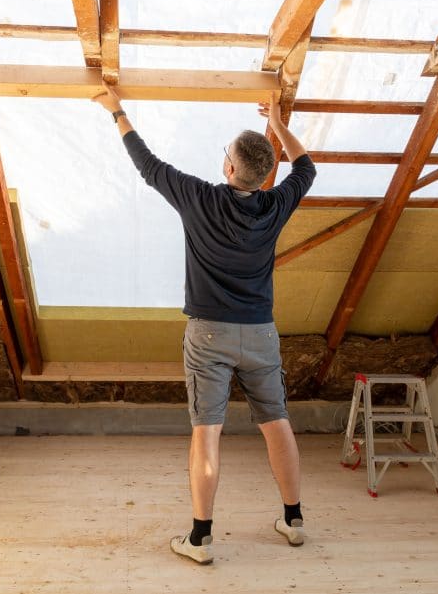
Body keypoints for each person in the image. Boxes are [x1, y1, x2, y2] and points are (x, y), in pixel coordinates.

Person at [92, 83, 316, 565]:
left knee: (207, 432)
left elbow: (147, 164)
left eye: (226, 155)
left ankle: (201, 539)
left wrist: (117, 111)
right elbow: (307, 166)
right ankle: (294, 520)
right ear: (266, 172)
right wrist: (277, 123)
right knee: (277, 424)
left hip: (208, 335)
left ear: (229, 168)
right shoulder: (277, 204)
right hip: (260, 333)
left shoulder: (198, 198)